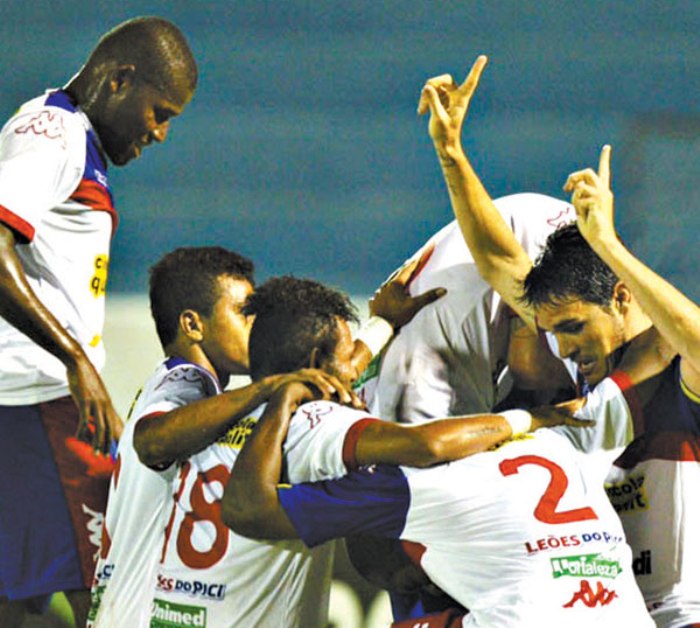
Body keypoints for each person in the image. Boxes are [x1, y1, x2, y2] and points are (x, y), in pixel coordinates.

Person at [418, 55, 700, 626]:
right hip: (606, 613)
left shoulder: (675, 368)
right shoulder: (586, 360)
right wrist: (450, 151)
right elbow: (500, 263)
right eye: (553, 334)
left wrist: (610, 245)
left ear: (622, 298)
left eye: (572, 329)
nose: (563, 349)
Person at [152, 274, 586, 627]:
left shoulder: (216, 416)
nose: (355, 375)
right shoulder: (315, 420)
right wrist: (531, 419)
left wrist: (383, 324)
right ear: (316, 361)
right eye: (344, 356)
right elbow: (424, 445)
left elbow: (340, 367)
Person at [89, 247, 445, 627]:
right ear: (193, 325)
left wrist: (381, 326)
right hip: (133, 613)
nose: (255, 323)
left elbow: (328, 373)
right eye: (243, 312)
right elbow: (151, 442)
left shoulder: (216, 414)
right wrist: (272, 387)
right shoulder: (182, 386)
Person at [0, 16, 197, 626]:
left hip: (34, 403)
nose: (161, 133)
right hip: (41, 404)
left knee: (22, 598)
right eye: (159, 112)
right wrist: (75, 358)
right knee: (108, 593)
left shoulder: (66, 131)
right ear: (119, 81)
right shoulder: (53, 137)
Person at [222, 361, 658, 627]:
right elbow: (657, 351)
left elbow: (246, 510)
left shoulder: (407, 484)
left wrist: (279, 402)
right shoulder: (559, 434)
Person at [358, 193, 576, 423]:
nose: (568, 352)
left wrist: (381, 323)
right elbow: (429, 446)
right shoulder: (418, 387)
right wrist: (530, 421)